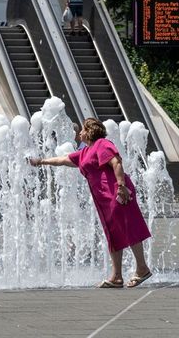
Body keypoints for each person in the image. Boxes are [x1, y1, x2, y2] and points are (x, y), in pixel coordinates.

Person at [29, 118, 152, 288]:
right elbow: (64, 159)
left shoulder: (102, 144)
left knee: (127, 228)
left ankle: (142, 267)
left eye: (82, 130)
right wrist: (42, 161)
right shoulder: (86, 151)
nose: (79, 133)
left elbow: (116, 162)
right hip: (104, 200)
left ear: (89, 131)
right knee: (113, 234)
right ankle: (116, 276)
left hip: (116, 193)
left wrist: (122, 187)